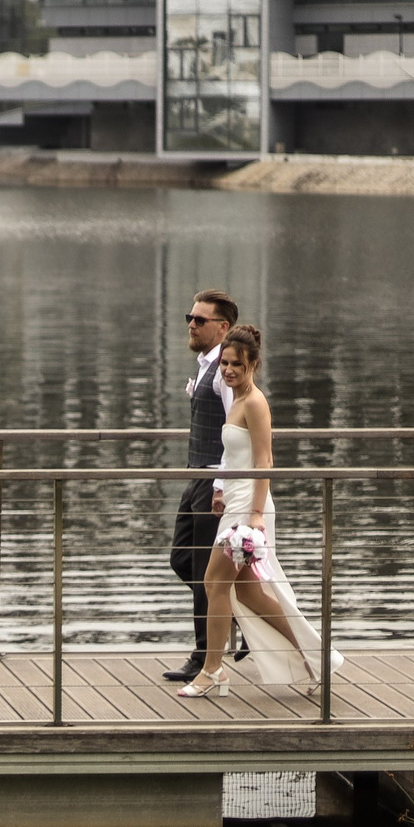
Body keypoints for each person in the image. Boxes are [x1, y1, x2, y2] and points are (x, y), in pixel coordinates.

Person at [178, 325, 337, 698]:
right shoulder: (234, 400)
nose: (228, 370)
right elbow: (234, 455)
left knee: (214, 583)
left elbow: (265, 459)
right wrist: (219, 489)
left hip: (250, 505)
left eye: (237, 364)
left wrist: (255, 516)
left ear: (253, 364)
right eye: (225, 364)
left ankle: (212, 670)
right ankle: (314, 658)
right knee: (250, 595)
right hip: (233, 498)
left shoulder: (255, 402)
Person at [165, 289, 238, 683]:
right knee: (181, 560)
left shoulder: (226, 371)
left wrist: (222, 486)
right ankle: (235, 612)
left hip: (214, 481)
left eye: (200, 320)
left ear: (222, 327)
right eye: (189, 318)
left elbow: (234, 430)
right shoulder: (206, 365)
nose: (191, 325)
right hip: (197, 476)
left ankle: (203, 657)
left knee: (202, 572)